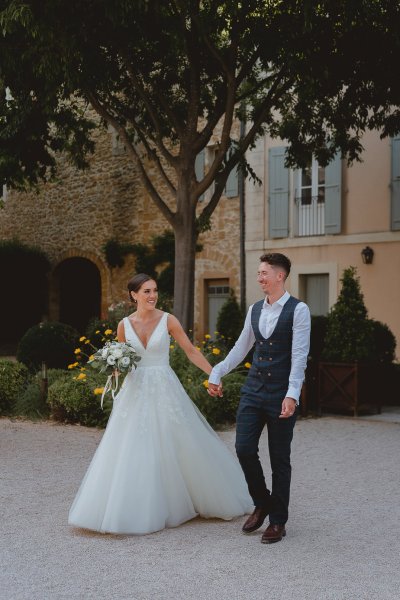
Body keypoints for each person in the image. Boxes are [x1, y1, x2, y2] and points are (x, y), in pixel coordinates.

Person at [68, 273, 253, 535]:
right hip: (135, 390)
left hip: (164, 387)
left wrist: (214, 374)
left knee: (179, 440)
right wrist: (113, 367)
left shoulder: (169, 320)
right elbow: (123, 360)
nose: (152, 296)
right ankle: (135, 507)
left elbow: (190, 350)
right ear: (134, 295)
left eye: (154, 290)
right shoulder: (123, 325)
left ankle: (192, 498)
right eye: (146, 291)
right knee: (132, 446)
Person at [208, 253, 310, 544]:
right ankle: (262, 501)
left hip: (280, 394)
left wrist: (292, 395)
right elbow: (241, 348)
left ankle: (278, 521)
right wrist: (217, 372)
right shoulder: (254, 309)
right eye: (259, 273)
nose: (260, 277)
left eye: (264, 272)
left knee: (280, 458)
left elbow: (300, 357)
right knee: (243, 448)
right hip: (253, 391)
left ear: (280, 276)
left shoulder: (298, 310)